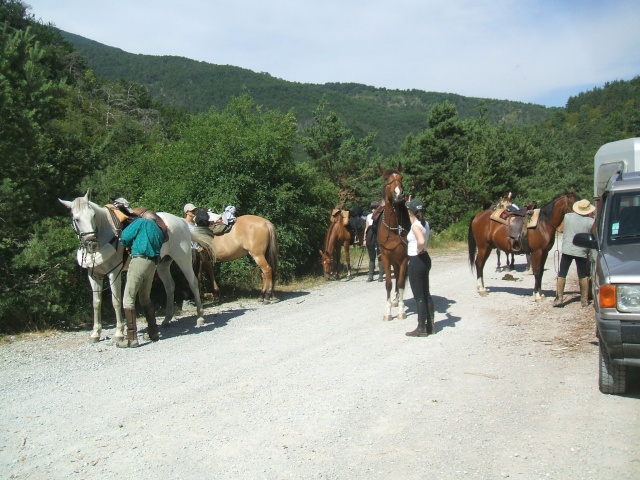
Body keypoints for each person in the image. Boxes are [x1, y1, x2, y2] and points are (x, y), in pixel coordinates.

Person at [117, 216, 165, 347]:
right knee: (145, 298)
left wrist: (127, 245)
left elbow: (125, 237)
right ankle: (153, 332)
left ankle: (131, 338)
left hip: (138, 260)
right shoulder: (158, 230)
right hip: (152, 264)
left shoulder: (141, 222)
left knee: (128, 299)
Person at [553, 198, 596, 308]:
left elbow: (560, 229)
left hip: (567, 248)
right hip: (581, 250)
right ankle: (584, 300)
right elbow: (594, 235)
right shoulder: (591, 222)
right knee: (582, 274)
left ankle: (559, 298)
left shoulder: (567, 217)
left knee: (562, 273)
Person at [405, 198, 433, 337]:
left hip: (416, 260)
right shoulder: (424, 223)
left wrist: (418, 249)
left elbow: (420, 241)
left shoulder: (416, 226)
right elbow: (414, 223)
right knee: (426, 293)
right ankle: (430, 326)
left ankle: (421, 328)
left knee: (419, 296)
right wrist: (408, 206)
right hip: (425, 259)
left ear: (412, 211)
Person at [363, 201, 381, 282]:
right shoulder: (368, 216)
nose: (373, 210)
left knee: (380, 255)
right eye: (372, 208)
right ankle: (371, 275)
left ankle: (381, 274)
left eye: (375, 208)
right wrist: (364, 239)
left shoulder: (380, 216)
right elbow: (366, 228)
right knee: (371, 256)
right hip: (370, 236)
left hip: (378, 235)